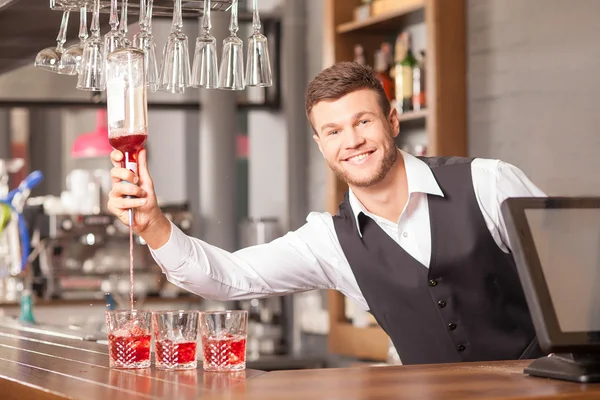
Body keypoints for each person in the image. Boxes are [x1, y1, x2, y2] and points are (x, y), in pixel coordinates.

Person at [108, 61, 547, 365]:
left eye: (363, 122)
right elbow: (231, 277)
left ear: (393, 122)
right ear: (321, 146)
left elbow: (577, 283)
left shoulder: (488, 183)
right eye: (333, 131)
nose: (351, 141)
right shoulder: (328, 240)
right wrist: (154, 226)